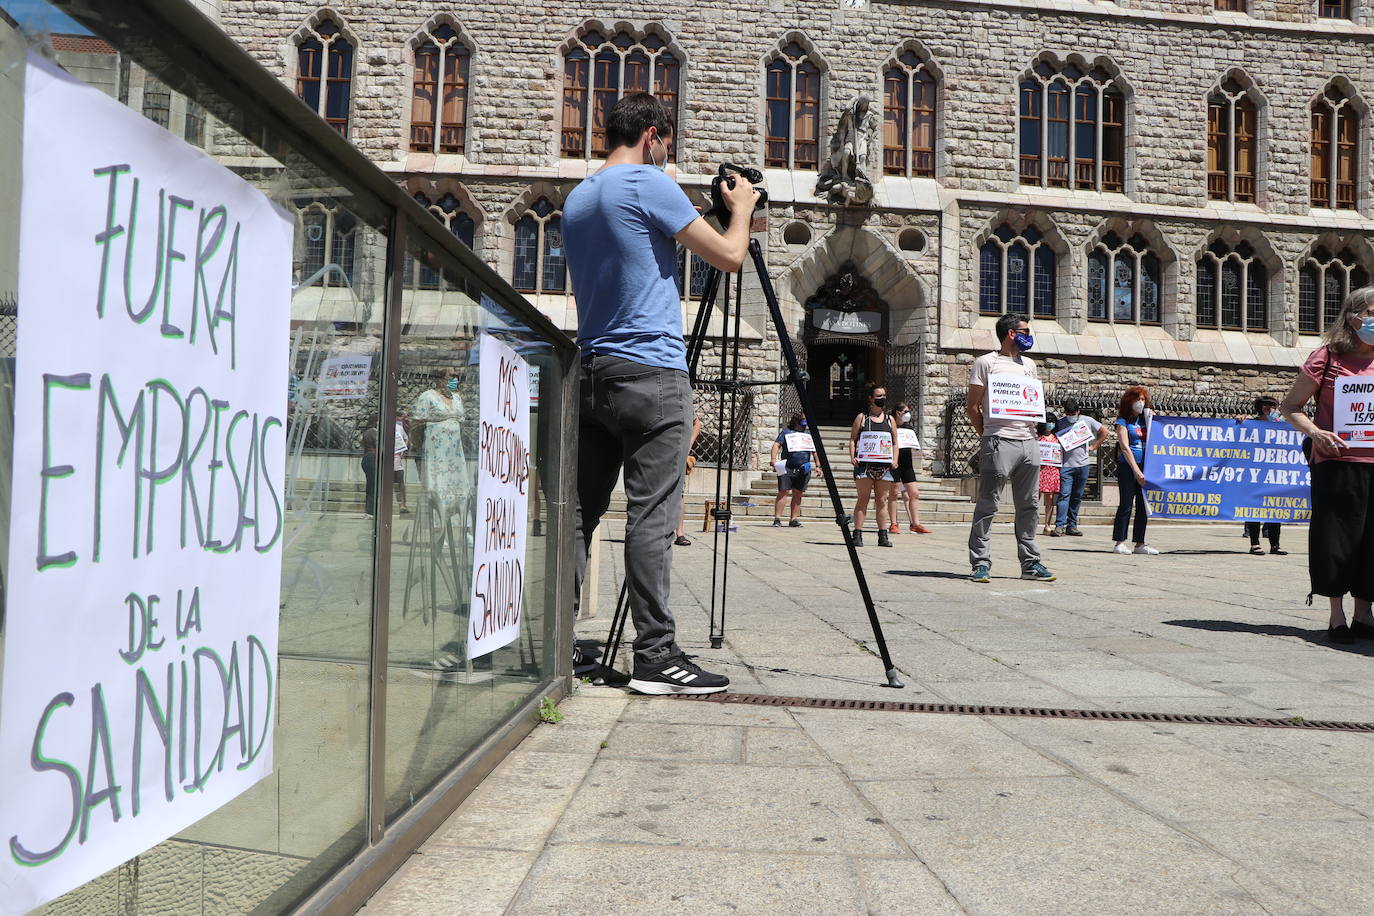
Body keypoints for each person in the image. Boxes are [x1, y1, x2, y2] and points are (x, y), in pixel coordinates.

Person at [564, 92, 756, 695]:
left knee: (579, 514)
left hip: (592, 369)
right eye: (665, 144)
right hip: (651, 371)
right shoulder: (650, 183)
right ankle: (656, 657)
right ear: (653, 136)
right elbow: (729, 256)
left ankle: (551, 640)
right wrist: (742, 208)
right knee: (652, 517)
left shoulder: (578, 197)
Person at [1279, 286, 1374, 645]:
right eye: (1371, 313)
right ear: (1353, 317)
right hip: (1337, 463)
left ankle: (1365, 613)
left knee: (1371, 540)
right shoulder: (1327, 358)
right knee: (1336, 538)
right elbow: (1291, 407)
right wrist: (1316, 433)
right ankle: (1337, 616)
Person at [965, 313, 1056, 583]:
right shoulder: (986, 363)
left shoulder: (1029, 365)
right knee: (988, 504)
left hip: (1029, 442)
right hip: (998, 440)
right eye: (1025, 330)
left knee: (1029, 505)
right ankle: (980, 563)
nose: (1030, 334)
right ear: (1011, 333)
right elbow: (972, 407)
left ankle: (1030, 563)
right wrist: (987, 435)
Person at [411, 367, 468, 524]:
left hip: (454, 452)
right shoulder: (428, 396)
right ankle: (439, 525)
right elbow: (416, 423)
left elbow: (461, 422)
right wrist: (418, 448)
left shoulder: (456, 398)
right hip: (437, 449)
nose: (455, 379)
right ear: (440, 379)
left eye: (456, 376)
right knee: (438, 484)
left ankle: (463, 525)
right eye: (451, 376)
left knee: (458, 484)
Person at [848, 383, 899, 547]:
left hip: (884, 466)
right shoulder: (862, 418)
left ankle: (883, 535)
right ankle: (857, 534)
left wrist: (895, 459)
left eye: (884, 396)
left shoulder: (890, 419)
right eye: (879, 396)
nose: (882, 399)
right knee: (863, 499)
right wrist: (852, 456)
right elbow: (853, 439)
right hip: (865, 464)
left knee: (882, 500)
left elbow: (895, 442)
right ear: (871, 398)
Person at [1236, 396, 1287, 556]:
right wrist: (1240, 421)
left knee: (1274, 509)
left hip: (1274, 473)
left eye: (1273, 405)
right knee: (1254, 509)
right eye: (1266, 405)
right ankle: (1255, 544)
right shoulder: (1251, 423)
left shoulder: (1280, 425)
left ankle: (1275, 545)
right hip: (1254, 473)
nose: (1270, 408)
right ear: (1260, 407)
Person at [1111, 385, 1157, 556]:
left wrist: (1153, 417)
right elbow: (1124, 447)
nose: (1140, 402)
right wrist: (1136, 471)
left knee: (1143, 506)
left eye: (1143, 399)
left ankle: (1140, 542)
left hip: (1147, 466)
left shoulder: (1146, 420)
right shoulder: (1122, 421)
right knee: (1126, 504)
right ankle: (1119, 542)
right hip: (1128, 467)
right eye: (1138, 399)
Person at [1051, 398, 1107, 536]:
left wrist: (1094, 446)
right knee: (1064, 495)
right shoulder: (1060, 423)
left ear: (1078, 411)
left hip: (1083, 465)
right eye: (1068, 413)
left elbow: (1104, 431)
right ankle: (1060, 525)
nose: (1071, 416)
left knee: (1077, 496)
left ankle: (1072, 525)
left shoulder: (1087, 420)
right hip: (1066, 465)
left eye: (1073, 413)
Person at [886, 401, 931, 534]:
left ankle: (915, 524)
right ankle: (894, 523)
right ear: (898, 413)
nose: (908, 414)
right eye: (905, 412)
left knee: (914, 493)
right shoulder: (890, 425)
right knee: (894, 493)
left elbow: (912, 442)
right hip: (894, 463)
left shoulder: (909, 427)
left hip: (907, 463)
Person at [771, 412, 814, 527]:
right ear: (796, 422)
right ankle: (777, 518)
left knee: (798, 493)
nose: (805, 424)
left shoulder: (808, 434)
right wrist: (773, 459)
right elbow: (776, 445)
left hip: (803, 468)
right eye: (803, 421)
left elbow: (814, 451)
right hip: (786, 466)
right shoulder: (786, 432)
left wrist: (818, 466)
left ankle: (793, 519)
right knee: (783, 491)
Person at [674, 416, 703, 546]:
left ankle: (680, 533)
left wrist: (688, 444)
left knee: (679, 493)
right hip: (656, 451)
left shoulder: (680, 399)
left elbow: (697, 423)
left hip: (677, 453)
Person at [1036, 422, 1062, 535]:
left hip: (1052, 469)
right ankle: (1031, 522)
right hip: (1039, 469)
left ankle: (1047, 524)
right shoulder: (1037, 437)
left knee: (1050, 498)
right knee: (1035, 496)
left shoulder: (1057, 437)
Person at [359, 426, 378, 517]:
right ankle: (371, 510)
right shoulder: (373, 432)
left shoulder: (366, 433)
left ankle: (369, 509)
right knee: (373, 486)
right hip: (372, 457)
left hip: (366, 457)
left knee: (370, 485)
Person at [393, 414, 410, 515]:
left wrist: (403, 449)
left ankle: (403, 504)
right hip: (386, 458)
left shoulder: (399, 428)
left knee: (400, 482)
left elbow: (406, 438)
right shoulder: (383, 427)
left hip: (397, 456)